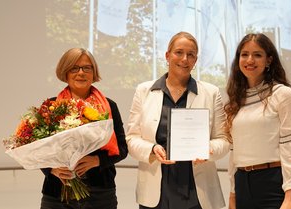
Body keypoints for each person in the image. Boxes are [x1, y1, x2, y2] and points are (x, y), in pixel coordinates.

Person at [126, 31, 230, 209]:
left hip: (197, 190)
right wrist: (152, 149)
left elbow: (224, 140)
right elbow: (131, 139)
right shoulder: (144, 90)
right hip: (155, 191)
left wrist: (208, 149)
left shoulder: (211, 93)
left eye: (191, 55)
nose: (184, 59)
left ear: (195, 60)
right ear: (167, 55)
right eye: (179, 52)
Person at [40, 48, 128, 209]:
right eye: (74, 68)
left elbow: (122, 149)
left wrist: (97, 161)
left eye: (87, 68)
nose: (81, 72)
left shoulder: (109, 106)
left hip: (100, 194)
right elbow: (39, 150)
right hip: (57, 194)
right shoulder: (51, 107)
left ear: (93, 73)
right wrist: (52, 170)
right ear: (65, 72)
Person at [224, 33, 291, 209]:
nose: (250, 60)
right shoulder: (236, 101)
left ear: (269, 60)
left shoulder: (282, 94)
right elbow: (234, 151)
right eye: (244, 54)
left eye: (257, 55)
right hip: (242, 184)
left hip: (274, 184)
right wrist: (233, 193)